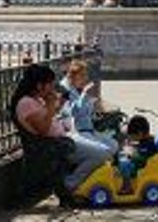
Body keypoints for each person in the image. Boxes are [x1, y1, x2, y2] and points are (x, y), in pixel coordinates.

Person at [12, 63, 113, 195]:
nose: (52, 87)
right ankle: (69, 184)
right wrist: (49, 105)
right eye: (50, 84)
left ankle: (76, 183)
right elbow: (43, 130)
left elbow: (49, 119)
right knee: (102, 154)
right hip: (55, 144)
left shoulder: (37, 99)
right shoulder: (26, 103)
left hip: (65, 136)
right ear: (39, 85)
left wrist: (55, 105)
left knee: (107, 149)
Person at [59, 59, 116, 151]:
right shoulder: (65, 90)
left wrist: (93, 101)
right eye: (82, 75)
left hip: (88, 129)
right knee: (104, 150)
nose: (85, 79)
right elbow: (75, 114)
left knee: (114, 144)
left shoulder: (76, 88)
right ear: (72, 75)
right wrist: (85, 95)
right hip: (76, 131)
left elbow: (87, 111)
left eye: (85, 75)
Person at [117, 114, 158, 195]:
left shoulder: (149, 144)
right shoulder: (144, 141)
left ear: (140, 133)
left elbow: (141, 157)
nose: (131, 138)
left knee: (124, 165)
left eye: (132, 136)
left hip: (142, 166)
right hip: (139, 163)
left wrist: (131, 154)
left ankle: (127, 186)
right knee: (122, 160)